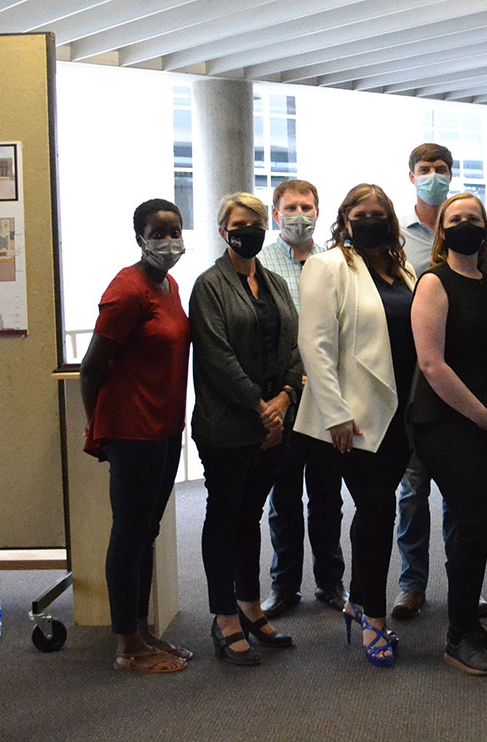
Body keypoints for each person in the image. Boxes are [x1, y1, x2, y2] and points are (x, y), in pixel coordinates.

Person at [293, 183, 416, 667]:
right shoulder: (328, 266)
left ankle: (357, 604)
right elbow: (314, 345)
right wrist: (335, 412)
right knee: (377, 511)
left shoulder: (402, 268)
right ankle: (375, 622)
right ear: (345, 221)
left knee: (377, 512)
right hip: (354, 419)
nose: (371, 220)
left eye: (379, 213)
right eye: (361, 214)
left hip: (399, 412)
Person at [80, 198, 192, 674]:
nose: (168, 241)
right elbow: (92, 367)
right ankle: (126, 646)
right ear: (140, 238)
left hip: (165, 430)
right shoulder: (126, 290)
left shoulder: (169, 284)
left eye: (175, 230)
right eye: (158, 232)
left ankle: (143, 629)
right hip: (132, 433)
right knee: (128, 536)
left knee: (147, 532)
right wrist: (99, 428)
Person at [190, 192, 302, 666]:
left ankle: (249, 604)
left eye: (257, 223)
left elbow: (292, 347)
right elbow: (217, 357)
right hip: (227, 427)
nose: (249, 231)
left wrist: (283, 401)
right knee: (224, 518)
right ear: (223, 231)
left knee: (250, 517)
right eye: (240, 224)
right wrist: (261, 407)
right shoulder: (208, 285)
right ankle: (224, 616)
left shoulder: (274, 282)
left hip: (273, 425)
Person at [409, 192, 487, 675]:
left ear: (485, 228)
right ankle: (457, 638)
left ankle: (470, 627)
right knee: (471, 524)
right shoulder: (434, 282)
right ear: (442, 231)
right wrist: (481, 415)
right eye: (456, 220)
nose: (465, 226)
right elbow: (432, 364)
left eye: (474, 219)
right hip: (448, 420)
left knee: (478, 529)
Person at [393, 143, 479, 620]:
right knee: (412, 492)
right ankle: (412, 585)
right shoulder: (397, 239)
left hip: (463, 381)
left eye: (441, 169)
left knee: (461, 494)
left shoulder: (471, 238)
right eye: (424, 169)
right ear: (411, 177)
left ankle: (465, 584)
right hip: (413, 382)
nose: (433, 176)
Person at [258, 179, 347, 618]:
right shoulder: (261, 263)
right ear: (276, 214)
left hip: (326, 397)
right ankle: (284, 585)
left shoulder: (334, 262)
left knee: (328, 498)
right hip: (285, 400)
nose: (300, 214)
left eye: (307, 206)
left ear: (318, 211)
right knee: (285, 499)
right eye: (290, 207)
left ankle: (332, 583)